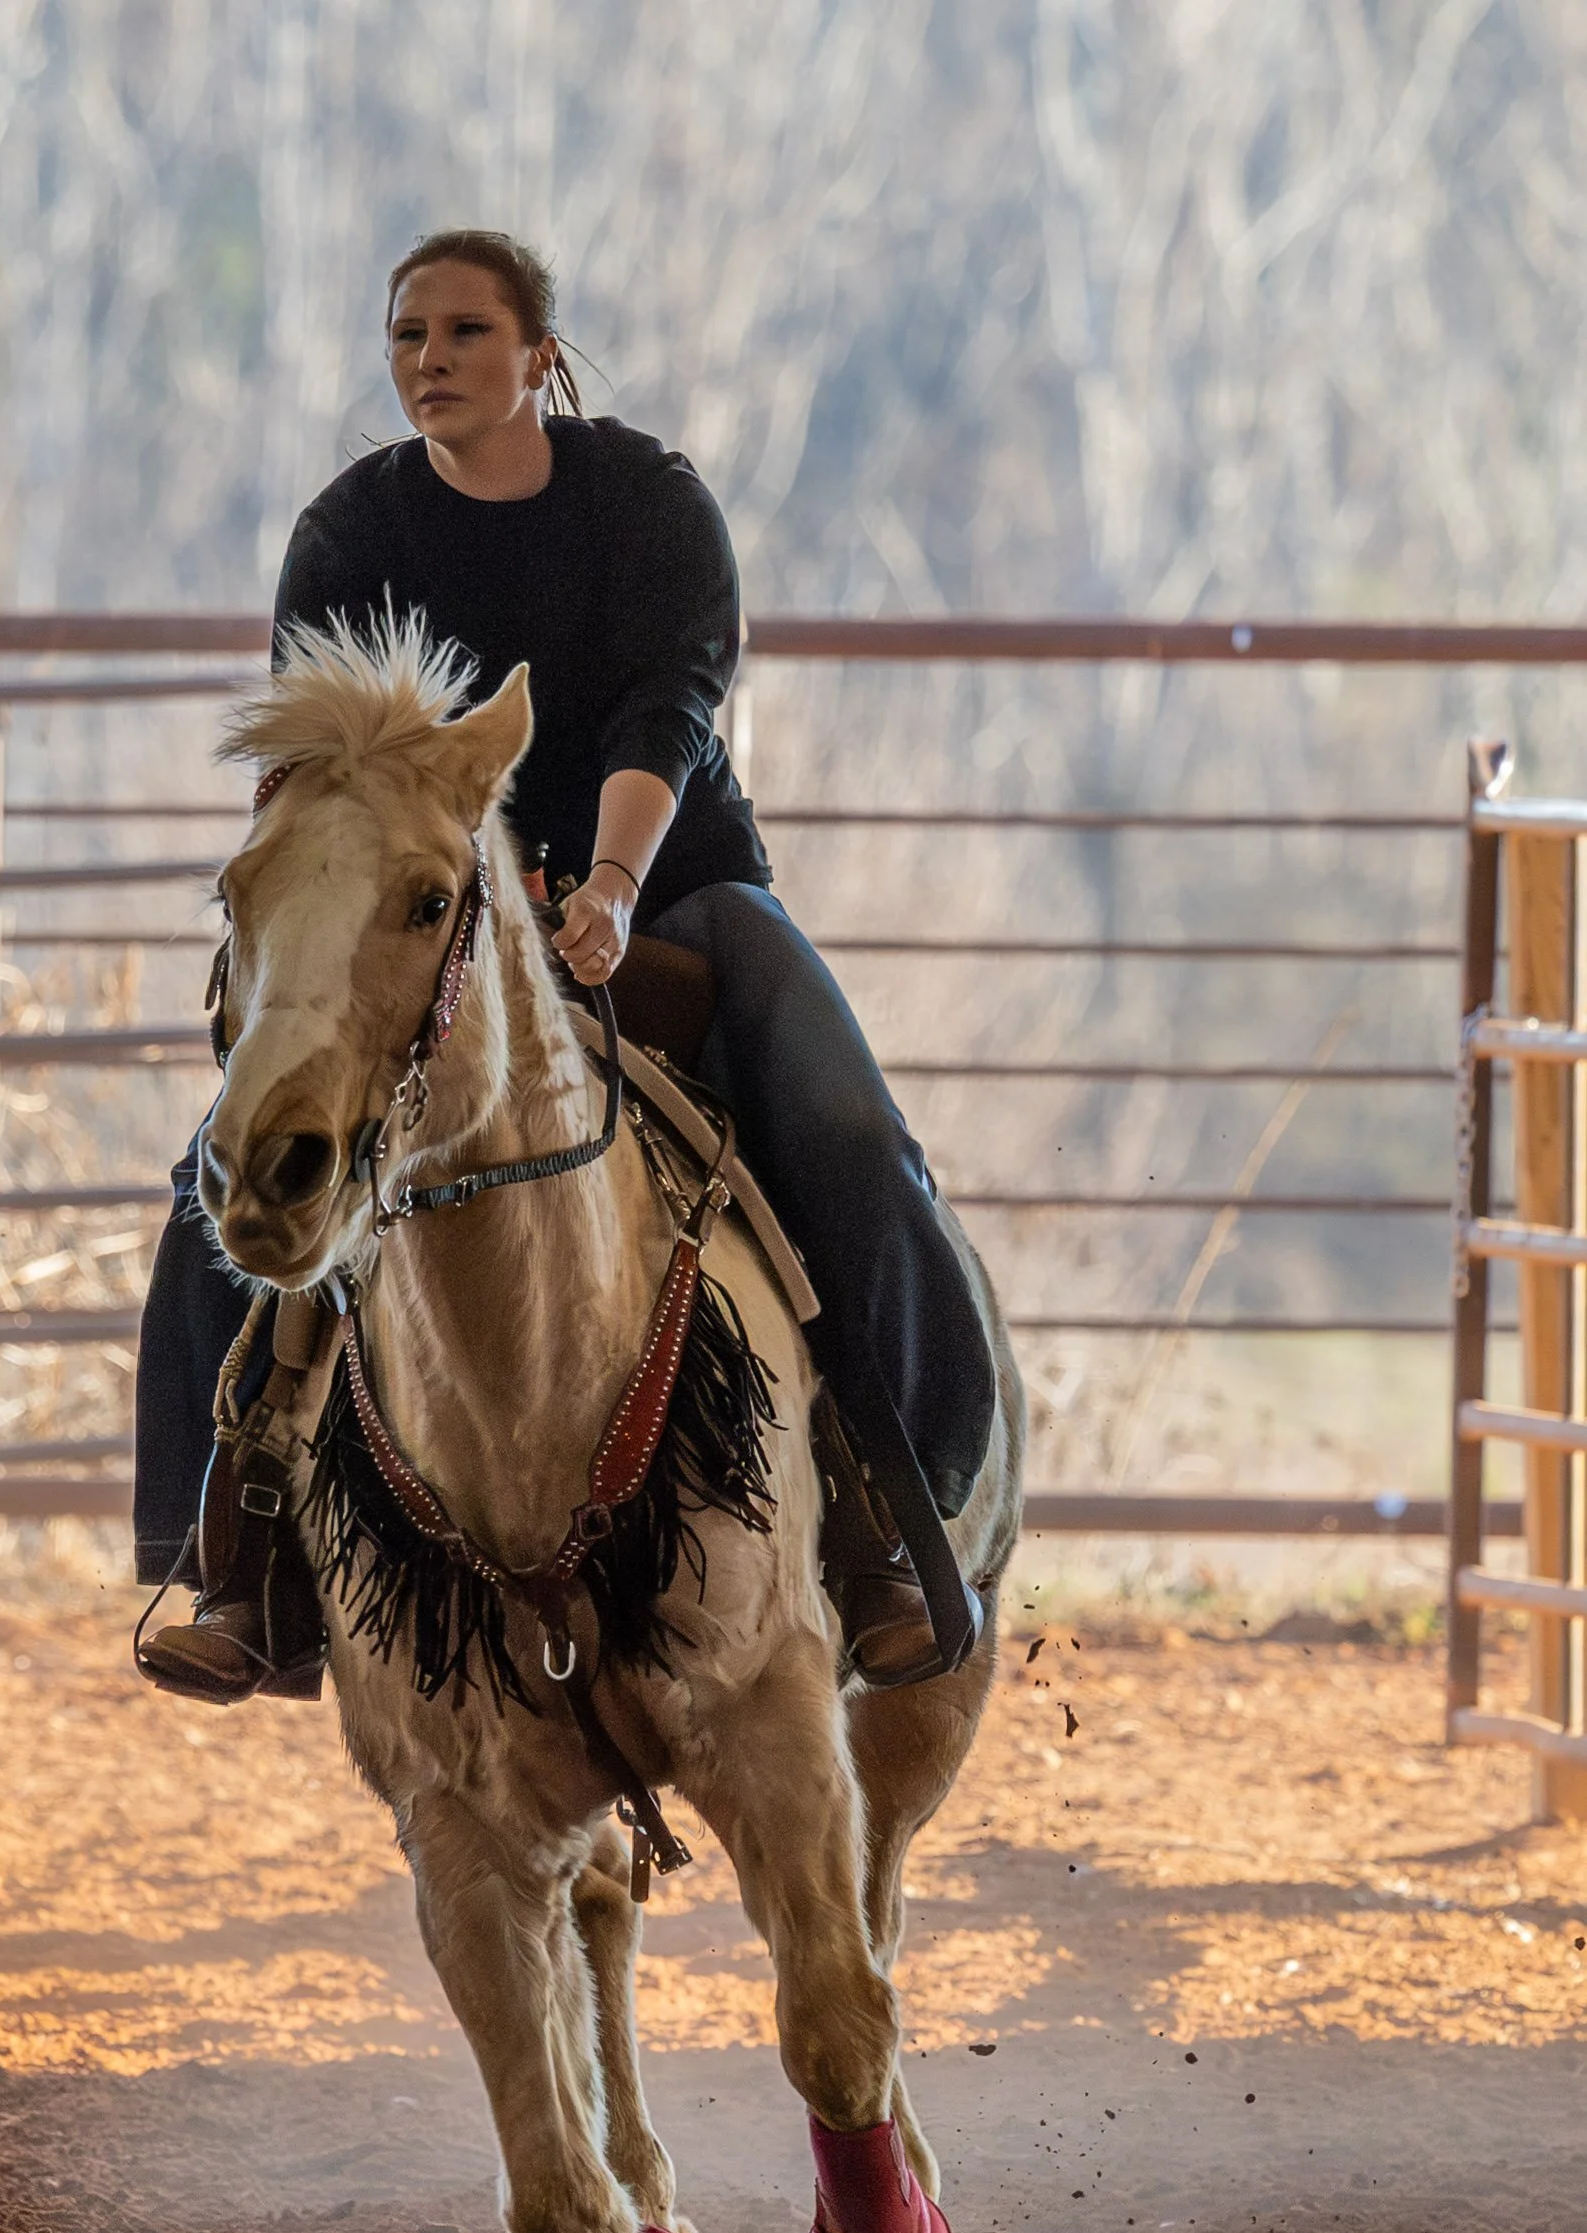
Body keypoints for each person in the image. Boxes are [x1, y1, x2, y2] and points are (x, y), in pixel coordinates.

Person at [134, 229, 995, 1701]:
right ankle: (233, 1560)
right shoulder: (349, 533)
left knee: (846, 1132)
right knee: (227, 1165)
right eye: (407, 335)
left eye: (467, 332)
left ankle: (892, 1526)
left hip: (674, 888)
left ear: (539, 355)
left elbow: (674, 706)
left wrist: (605, 885)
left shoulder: (648, 503)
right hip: (426, 919)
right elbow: (310, 762)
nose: (430, 360)